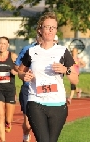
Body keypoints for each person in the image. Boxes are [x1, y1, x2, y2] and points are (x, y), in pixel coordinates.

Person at [18, 12, 79, 142]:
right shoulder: (31, 51)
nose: (51, 30)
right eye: (47, 27)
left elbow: (75, 79)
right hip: (36, 101)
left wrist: (65, 70)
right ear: (40, 29)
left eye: (54, 27)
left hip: (58, 104)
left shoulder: (63, 51)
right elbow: (20, 71)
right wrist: (25, 76)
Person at [14, 35, 42, 142]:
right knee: (27, 124)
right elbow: (17, 66)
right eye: (40, 36)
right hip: (28, 89)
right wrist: (24, 74)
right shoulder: (28, 49)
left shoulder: (54, 50)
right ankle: (26, 136)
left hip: (44, 91)